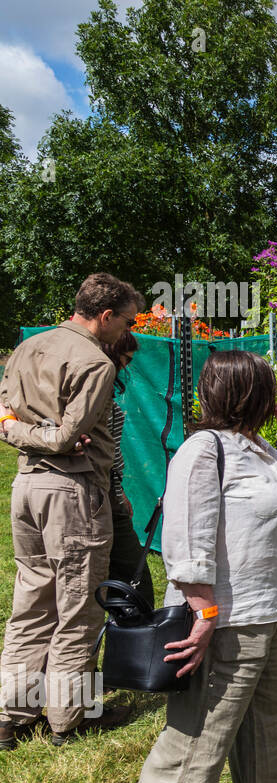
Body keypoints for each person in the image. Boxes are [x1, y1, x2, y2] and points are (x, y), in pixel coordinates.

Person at [118, 351, 277, 783]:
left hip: (272, 612)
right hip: (225, 619)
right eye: (266, 388)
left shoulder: (262, 448)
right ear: (248, 394)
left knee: (265, 727)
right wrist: (204, 614)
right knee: (196, 744)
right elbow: (187, 538)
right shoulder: (203, 450)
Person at [0, 273, 142, 750]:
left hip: (26, 488)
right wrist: (51, 437)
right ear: (105, 317)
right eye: (125, 321)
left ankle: (11, 716)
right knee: (79, 607)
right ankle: (68, 718)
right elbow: (64, 439)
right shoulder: (95, 363)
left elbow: (4, 418)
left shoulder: (27, 347)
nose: (127, 330)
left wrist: (21, 432)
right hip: (72, 492)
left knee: (31, 604)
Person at [102, 330, 153, 599]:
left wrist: (120, 493)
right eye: (125, 360)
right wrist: (118, 494)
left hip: (109, 489)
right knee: (134, 581)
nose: (126, 367)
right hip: (102, 493)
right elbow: (108, 453)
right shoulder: (100, 397)